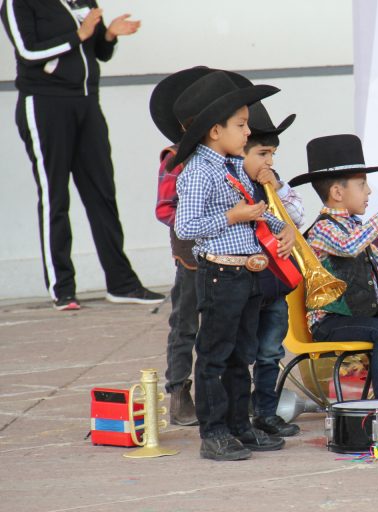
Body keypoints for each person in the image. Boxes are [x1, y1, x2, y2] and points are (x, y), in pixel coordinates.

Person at [1, 0, 164, 310]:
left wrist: (109, 36)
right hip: (45, 103)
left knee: (102, 193)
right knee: (55, 197)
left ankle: (122, 283)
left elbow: (98, 51)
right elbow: (28, 52)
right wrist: (79, 34)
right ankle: (62, 288)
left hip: (87, 103)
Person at [172, 71, 295, 461]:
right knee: (215, 354)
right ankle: (214, 432)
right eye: (241, 125)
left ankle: (241, 426)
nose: (247, 133)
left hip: (248, 273)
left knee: (244, 353)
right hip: (220, 273)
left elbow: (254, 213)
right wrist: (232, 216)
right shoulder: (198, 172)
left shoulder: (233, 167)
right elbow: (186, 226)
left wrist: (282, 229)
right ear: (214, 131)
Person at [150, 67, 254, 426]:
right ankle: (178, 390)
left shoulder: (231, 162)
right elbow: (167, 211)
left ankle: (232, 402)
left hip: (228, 257)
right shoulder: (178, 160)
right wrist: (216, 214)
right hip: (191, 257)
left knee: (225, 330)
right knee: (185, 325)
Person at [288, 134, 378, 400]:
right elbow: (349, 246)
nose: (369, 192)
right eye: (362, 185)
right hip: (331, 322)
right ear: (337, 192)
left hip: (363, 316)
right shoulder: (323, 229)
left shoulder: (357, 228)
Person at [241, 102, 304, 437]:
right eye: (264, 153)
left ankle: (265, 413)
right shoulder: (234, 183)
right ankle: (237, 416)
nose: (270, 162)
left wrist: (276, 188)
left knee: (270, 352)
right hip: (242, 284)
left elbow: (298, 216)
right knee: (240, 355)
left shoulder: (273, 184)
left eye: (273, 154)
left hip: (274, 284)